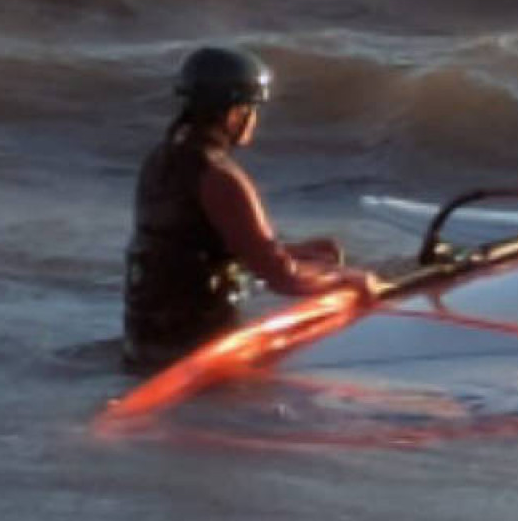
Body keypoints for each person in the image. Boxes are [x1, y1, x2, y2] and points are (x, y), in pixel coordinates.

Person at [122, 45, 375, 370]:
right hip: (194, 351)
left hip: (144, 343)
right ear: (234, 112)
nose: (255, 119)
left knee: (320, 252)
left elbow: (193, 250)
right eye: (253, 108)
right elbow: (284, 279)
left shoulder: (160, 161)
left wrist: (297, 254)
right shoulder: (221, 178)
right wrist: (348, 280)